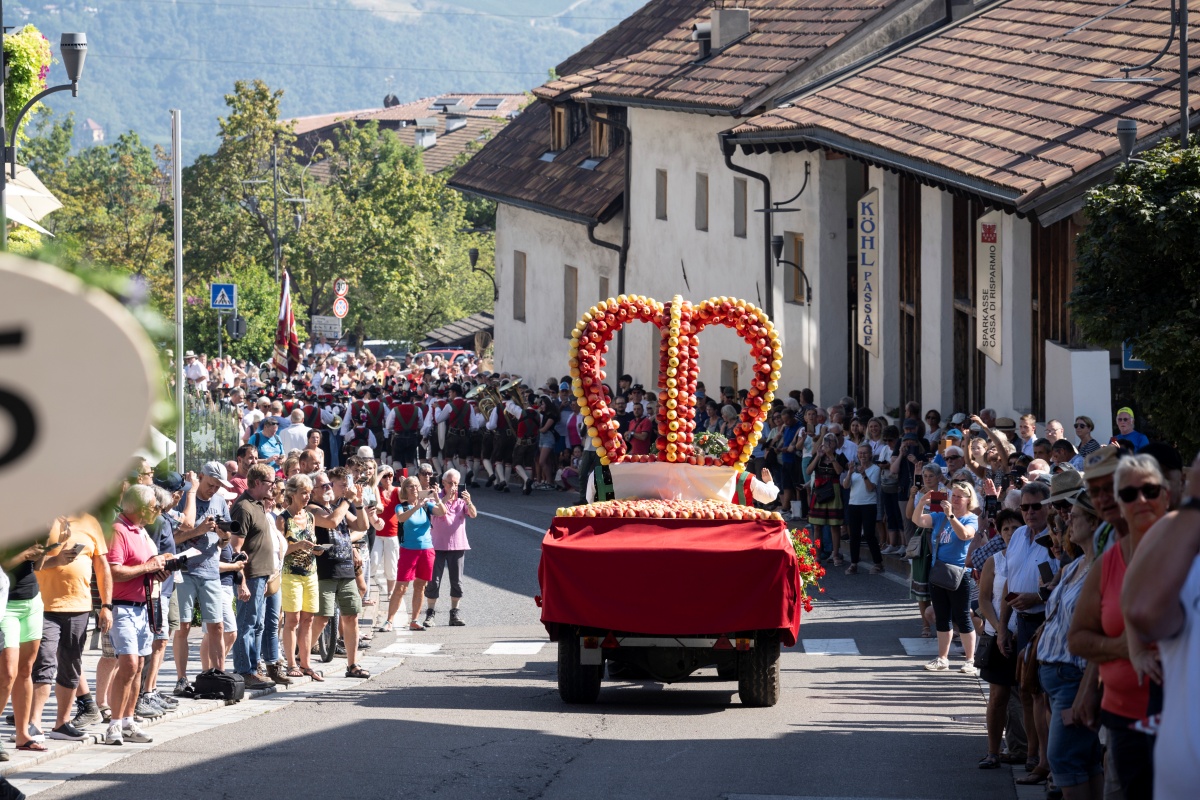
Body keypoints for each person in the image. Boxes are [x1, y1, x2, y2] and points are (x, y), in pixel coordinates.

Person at [1068, 454, 1168, 800]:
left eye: (1148, 491)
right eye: (1095, 491)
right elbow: (1081, 635)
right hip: (1124, 718)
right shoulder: (1107, 547)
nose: (1105, 498)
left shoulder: (1184, 547)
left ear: (1167, 494)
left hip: (1179, 716)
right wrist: (1122, 650)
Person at [1122, 452, 1200, 800]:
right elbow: (1141, 610)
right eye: (1128, 494)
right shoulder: (1178, 546)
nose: (1140, 501)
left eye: (1150, 491)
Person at [1033, 491, 1104, 800]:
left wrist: (1087, 688)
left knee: (1063, 759)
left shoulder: (1101, 569)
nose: (1067, 520)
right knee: (1085, 760)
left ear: (1094, 522)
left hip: (1074, 678)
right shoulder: (1076, 566)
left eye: (1074, 516)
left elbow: (1099, 628)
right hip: (1056, 676)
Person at [27, 516, 112, 743]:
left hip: (80, 606)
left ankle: (61, 724)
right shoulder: (43, 519)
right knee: (45, 662)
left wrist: (106, 605)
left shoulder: (93, 522)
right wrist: (55, 555)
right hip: (44, 605)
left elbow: (102, 567)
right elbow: (28, 562)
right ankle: (34, 724)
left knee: (71, 665)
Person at [999, 481, 1059, 784]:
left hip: (1046, 620)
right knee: (1027, 692)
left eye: (1037, 506)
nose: (1031, 512)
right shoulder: (1019, 535)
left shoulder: (1057, 538)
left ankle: (1046, 762)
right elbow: (1009, 583)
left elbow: (1062, 583)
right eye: (1025, 507)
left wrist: (1038, 598)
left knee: (1043, 695)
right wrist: (1002, 628)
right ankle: (1034, 754)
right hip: (1021, 622)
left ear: (1049, 506)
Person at [105, 485, 168, 746]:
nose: (158, 510)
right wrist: (148, 567)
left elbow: (146, 563)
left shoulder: (140, 529)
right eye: (154, 505)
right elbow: (114, 571)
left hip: (143, 606)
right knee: (129, 664)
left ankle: (128, 721)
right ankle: (114, 725)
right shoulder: (119, 530)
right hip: (123, 607)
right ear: (141, 508)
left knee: (139, 666)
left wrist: (160, 566)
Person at [172, 462, 232, 697]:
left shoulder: (219, 501)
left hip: (210, 570)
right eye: (210, 485)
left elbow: (226, 540)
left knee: (217, 626)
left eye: (217, 487)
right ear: (200, 477)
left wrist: (223, 536)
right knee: (183, 626)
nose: (213, 490)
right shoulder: (183, 499)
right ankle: (181, 678)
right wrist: (198, 531)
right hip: (185, 570)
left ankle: (219, 674)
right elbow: (172, 539)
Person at [976, 508, 1026, 770]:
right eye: (1005, 528)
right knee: (998, 697)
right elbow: (984, 598)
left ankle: (1030, 753)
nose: (1010, 533)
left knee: (1029, 697)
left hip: (1026, 634)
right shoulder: (994, 561)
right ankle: (993, 751)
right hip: (997, 636)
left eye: (1015, 528)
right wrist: (998, 628)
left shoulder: (1031, 556)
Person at [911, 479, 980, 673]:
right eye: (953, 495)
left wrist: (951, 515)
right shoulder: (939, 516)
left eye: (960, 496)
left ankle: (970, 660)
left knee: (963, 616)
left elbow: (965, 535)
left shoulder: (970, 518)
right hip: (939, 572)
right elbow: (918, 520)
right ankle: (942, 658)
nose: (955, 499)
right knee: (942, 617)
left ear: (968, 499)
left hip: (959, 574)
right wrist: (922, 504)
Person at [309, 467, 370, 679]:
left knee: (351, 615)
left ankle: (352, 665)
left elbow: (362, 525)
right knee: (322, 617)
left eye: (329, 485)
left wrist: (359, 503)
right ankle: (301, 658)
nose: (328, 488)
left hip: (345, 569)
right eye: (324, 485)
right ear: (313, 491)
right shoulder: (312, 508)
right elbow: (331, 522)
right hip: (324, 570)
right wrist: (346, 500)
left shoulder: (339, 506)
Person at [230, 463, 279, 690]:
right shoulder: (243, 508)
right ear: (258, 482)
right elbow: (235, 547)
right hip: (249, 577)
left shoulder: (258, 504)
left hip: (262, 575)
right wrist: (241, 581)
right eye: (271, 482)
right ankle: (245, 671)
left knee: (257, 624)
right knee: (247, 624)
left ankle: (254, 666)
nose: (274, 486)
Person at [387, 476, 447, 632]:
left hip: (427, 550)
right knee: (401, 587)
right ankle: (389, 621)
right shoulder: (403, 507)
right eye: (410, 486)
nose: (414, 489)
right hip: (408, 550)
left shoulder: (427, 505)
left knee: (420, 586)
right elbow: (401, 519)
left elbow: (442, 512)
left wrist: (436, 498)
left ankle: (414, 620)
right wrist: (416, 506)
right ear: (405, 490)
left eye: (416, 486)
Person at [277, 474, 322, 682]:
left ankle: (306, 663)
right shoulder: (282, 518)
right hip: (290, 574)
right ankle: (291, 664)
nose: (307, 496)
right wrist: (297, 546)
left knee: (309, 619)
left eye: (309, 492)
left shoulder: (310, 517)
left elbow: (310, 542)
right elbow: (279, 551)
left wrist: (316, 550)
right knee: (292, 620)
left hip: (310, 573)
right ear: (292, 493)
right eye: (303, 492)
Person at [422, 469, 478, 628]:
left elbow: (473, 514)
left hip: (458, 545)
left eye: (456, 483)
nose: (454, 486)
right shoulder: (435, 497)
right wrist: (445, 497)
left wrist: (469, 502)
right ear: (443, 484)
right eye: (450, 483)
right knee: (433, 581)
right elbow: (437, 512)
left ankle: (454, 613)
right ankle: (430, 613)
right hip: (437, 545)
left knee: (457, 582)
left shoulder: (461, 500)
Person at [842, 443, 883, 575]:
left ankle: (878, 563)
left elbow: (871, 488)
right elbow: (846, 486)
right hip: (854, 504)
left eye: (865, 453)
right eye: (860, 453)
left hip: (868, 505)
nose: (862, 456)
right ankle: (854, 564)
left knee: (870, 534)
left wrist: (864, 474)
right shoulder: (854, 469)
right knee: (854, 535)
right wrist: (849, 472)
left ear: (870, 454)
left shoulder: (875, 469)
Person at [806, 433, 847, 566]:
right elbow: (808, 471)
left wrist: (831, 456)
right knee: (817, 525)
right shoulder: (818, 456)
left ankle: (835, 554)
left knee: (834, 525)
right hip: (820, 491)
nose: (828, 444)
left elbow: (839, 471)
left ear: (836, 444)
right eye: (826, 441)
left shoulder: (839, 457)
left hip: (833, 490)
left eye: (831, 442)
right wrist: (818, 455)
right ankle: (817, 555)